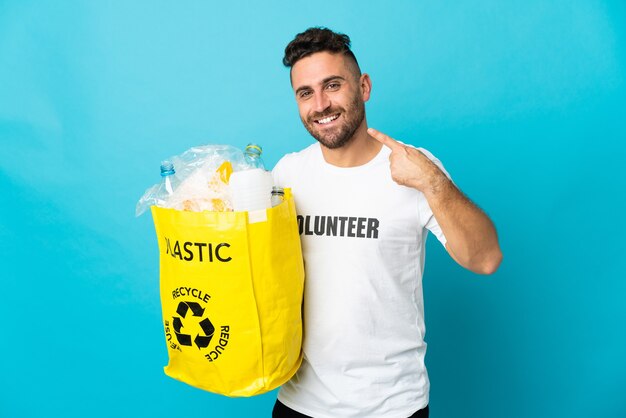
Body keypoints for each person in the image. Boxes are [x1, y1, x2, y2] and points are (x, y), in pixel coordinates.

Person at [271, 27, 503, 418]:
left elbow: (485, 259)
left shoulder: (415, 167)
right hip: (299, 403)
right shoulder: (288, 174)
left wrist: (431, 181)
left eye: (333, 85)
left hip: (391, 406)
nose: (321, 104)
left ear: (363, 86)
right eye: (305, 93)